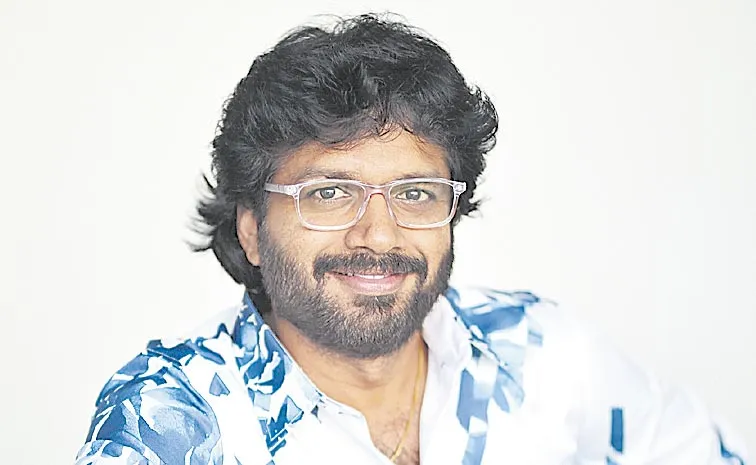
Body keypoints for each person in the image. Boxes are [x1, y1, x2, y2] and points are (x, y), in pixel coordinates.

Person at [75, 14, 749, 465]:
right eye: (329, 193)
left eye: (416, 193)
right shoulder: (172, 421)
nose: (379, 233)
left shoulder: (540, 351)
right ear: (250, 228)